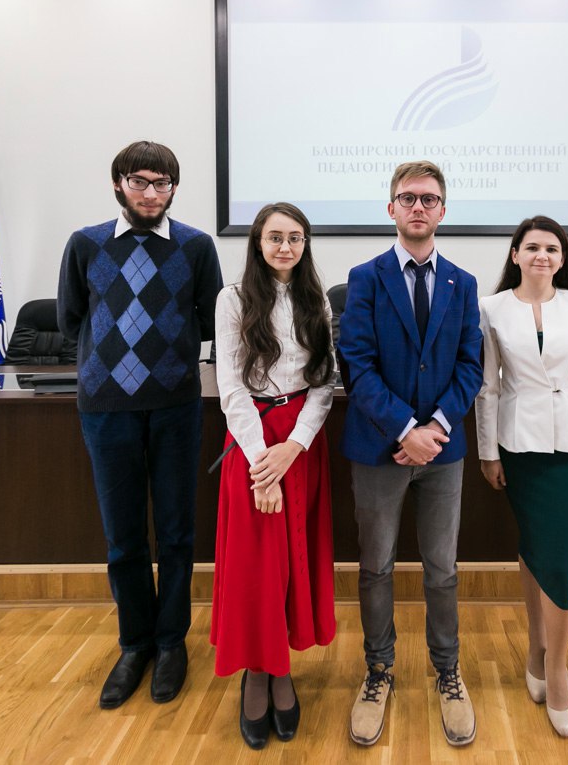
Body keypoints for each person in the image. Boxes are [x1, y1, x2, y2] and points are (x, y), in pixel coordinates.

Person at [57, 140, 223, 710]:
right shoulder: (86, 244)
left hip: (176, 406)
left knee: (176, 533)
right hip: (105, 409)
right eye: (140, 182)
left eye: (162, 183)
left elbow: (210, 319)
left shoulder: (196, 247)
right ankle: (135, 644)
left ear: (174, 188)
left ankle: (171, 642)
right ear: (118, 184)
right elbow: (71, 319)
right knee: (124, 537)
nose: (151, 193)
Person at [338, 160, 483, 747]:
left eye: (428, 198)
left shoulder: (463, 283)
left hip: (443, 452)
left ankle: (447, 671)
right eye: (407, 198)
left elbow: (471, 366)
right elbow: (357, 365)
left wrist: (434, 430)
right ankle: (378, 671)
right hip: (379, 450)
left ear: (443, 210)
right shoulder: (364, 278)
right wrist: (405, 430)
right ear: (391, 208)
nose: (417, 207)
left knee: (442, 569)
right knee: (376, 567)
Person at [474, 216, 568, 738]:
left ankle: (556, 669)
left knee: (560, 557)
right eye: (532, 247)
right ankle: (536, 647)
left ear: (562, 258)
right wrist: (488, 452)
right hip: (519, 446)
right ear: (515, 254)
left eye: (552, 249)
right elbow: (488, 386)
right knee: (536, 546)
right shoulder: (490, 308)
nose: (542, 255)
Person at [210, 203, 336, 749]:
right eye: (275, 237)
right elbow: (231, 387)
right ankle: (258, 673)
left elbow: (324, 381)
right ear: (258, 243)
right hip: (252, 442)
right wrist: (264, 467)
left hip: (301, 442)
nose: (286, 247)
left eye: (295, 238)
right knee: (256, 565)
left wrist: (295, 447)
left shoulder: (316, 299)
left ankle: (282, 666)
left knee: (294, 561)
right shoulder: (234, 298)